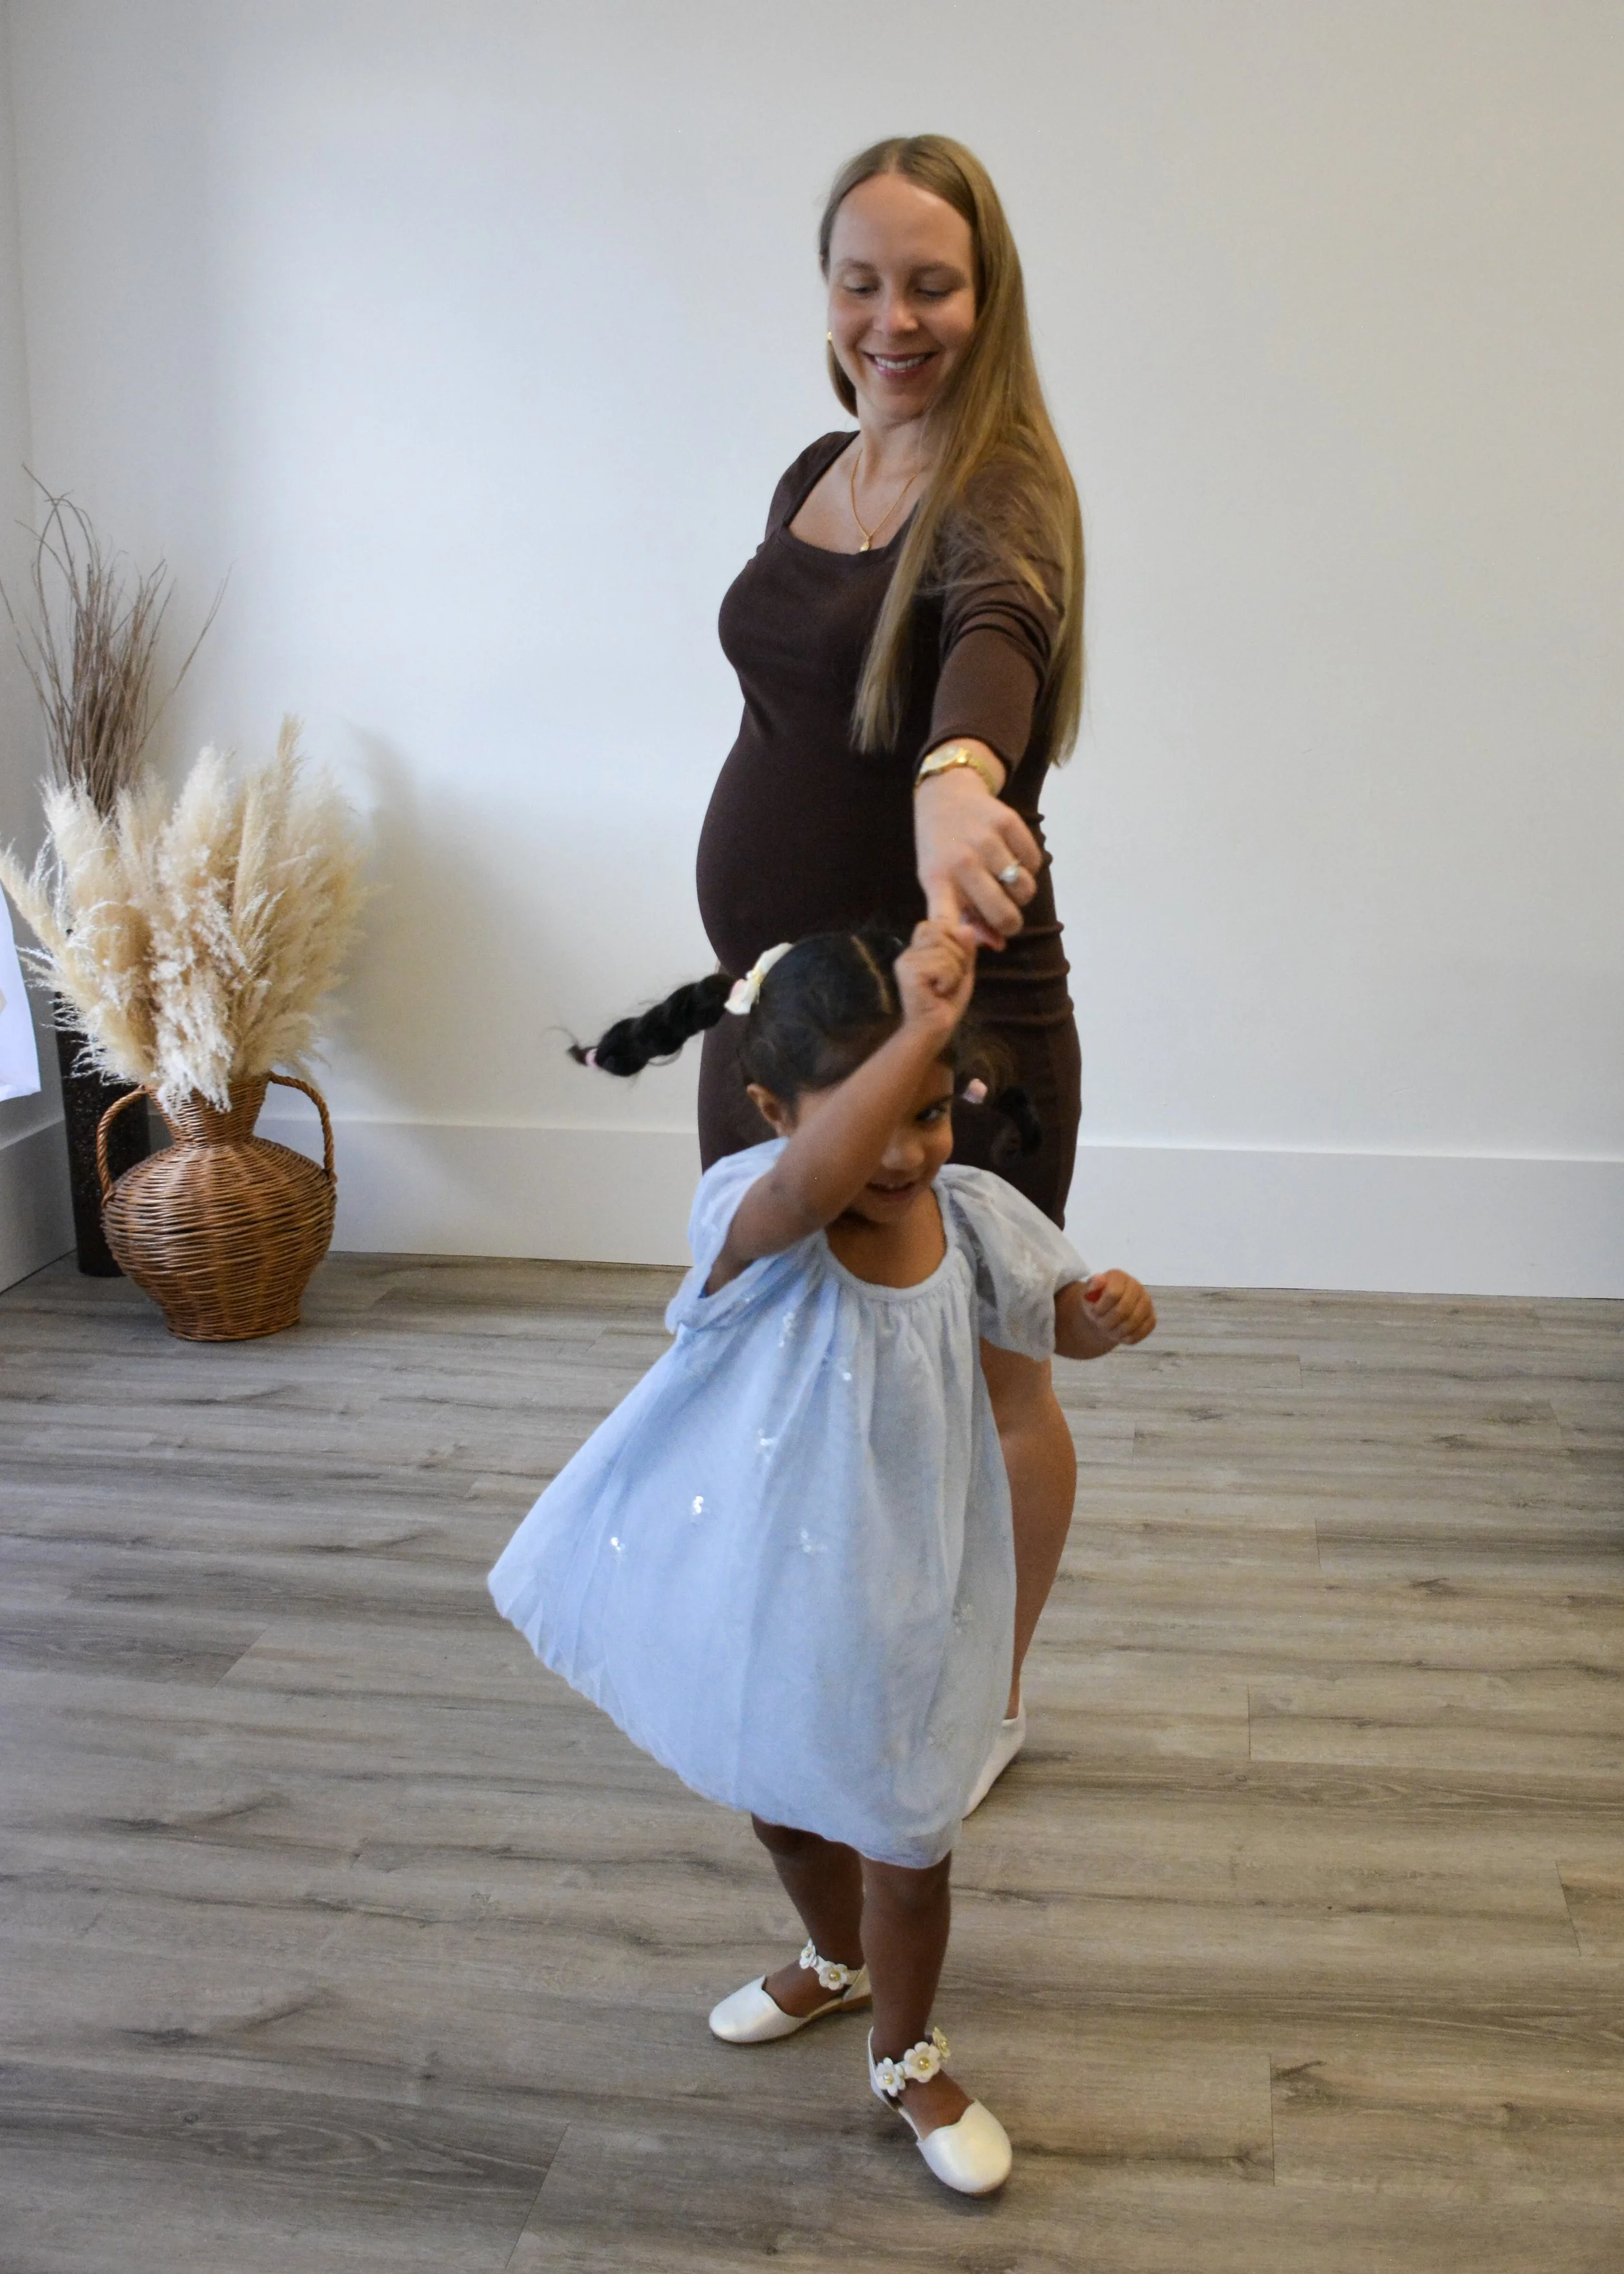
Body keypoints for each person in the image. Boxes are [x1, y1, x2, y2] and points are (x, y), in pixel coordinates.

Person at [492, 923, 1156, 2194]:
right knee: (788, 1807)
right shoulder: (755, 1214)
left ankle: (905, 2053)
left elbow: (1051, 1328)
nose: (903, 1151)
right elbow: (808, 1186)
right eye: (868, 1117)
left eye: (926, 1110)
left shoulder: (960, 1217)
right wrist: (913, 1033)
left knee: (909, 1837)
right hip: (772, 1581)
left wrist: (1101, 1316)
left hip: (911, 1584)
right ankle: (832, 1955)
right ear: (768, 1109)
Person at [689, 134, 1087, 1802]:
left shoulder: (1000, 495)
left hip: (941, 1028)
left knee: (984, 1387)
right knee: (775, 1365)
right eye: (861, 279)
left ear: (983, 299)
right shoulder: (810, 470)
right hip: (776, 1014)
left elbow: (987, 647)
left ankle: (978, 1696)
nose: (891, 316)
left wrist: (956, 784)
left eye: (930, 282)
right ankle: (813, 1669)